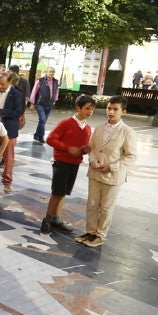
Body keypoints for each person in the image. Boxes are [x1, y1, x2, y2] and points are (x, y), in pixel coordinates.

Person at [77, 96, 137, 247]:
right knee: (91, 205)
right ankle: (90, 232)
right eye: (109, 108)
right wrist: (92, 160)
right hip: (95, 173)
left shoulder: (127, 132)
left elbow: (131, 156)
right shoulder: (99, 128)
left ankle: (99, 235)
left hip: (112, 176)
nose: (111, 112)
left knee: (106, 208)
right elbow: (91, 147)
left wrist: (112, 166)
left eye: (115, 109)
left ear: (123, 112)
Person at [41, 95, 94, 234]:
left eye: (92, 109)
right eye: (87, 108)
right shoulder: (66, 123)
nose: (90, 111)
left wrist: (84, 150)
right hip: (61, 163)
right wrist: (67, 147)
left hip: (74, 164)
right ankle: (46, 220)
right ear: (78, 108)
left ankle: (56, 220)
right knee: (57, 193)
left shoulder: (88, 128)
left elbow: (81, 148)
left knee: (63, 193)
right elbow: (51, 139)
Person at [0, 73, 26, 194]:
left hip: (8, 129)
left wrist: (0, 112)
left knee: (8, 157)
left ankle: (7, 182)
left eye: (2, 84)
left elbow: (18, 112)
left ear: (9, 82)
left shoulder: (17, 94)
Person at [29, 67, 59, 144]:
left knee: (43, 121)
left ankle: (36, 135)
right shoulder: (40, 81)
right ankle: (41, 137)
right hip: (40, 104)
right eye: (50, 72)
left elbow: (56, 91)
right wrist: (32, 103)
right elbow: (34, 92)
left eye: (53, 72)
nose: (51, 73)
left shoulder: (55, 82)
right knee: (42, 120)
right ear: (46, 72)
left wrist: (55, 99)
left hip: (49, 105)